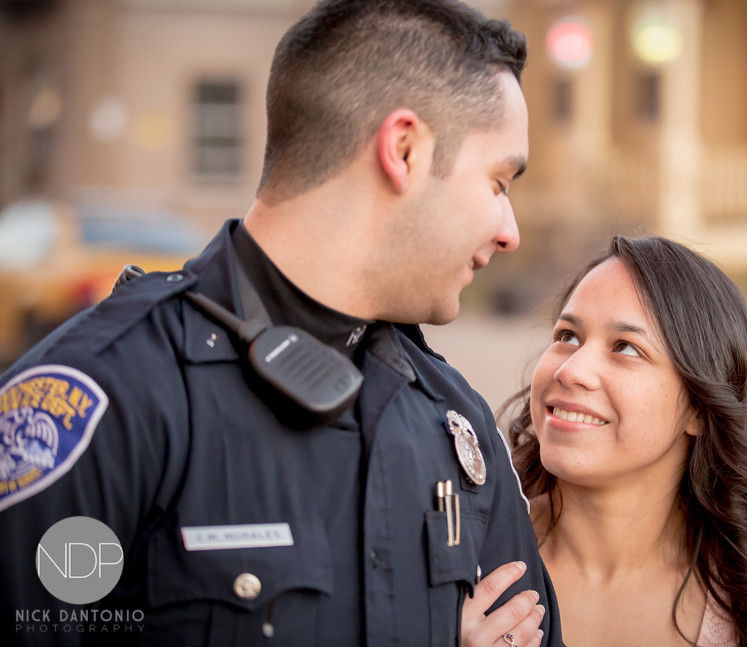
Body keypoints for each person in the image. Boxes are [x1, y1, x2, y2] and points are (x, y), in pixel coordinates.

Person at [0, 1, 562, 645]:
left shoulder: (453, 422)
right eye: (499, 182)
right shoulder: (99, 403)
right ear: (404, 150)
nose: (511, 232)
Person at [503, 235, 747, 646]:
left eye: (625, 347)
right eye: (567, 335)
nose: (571, 370)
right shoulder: (466, 558)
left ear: (699, 408)